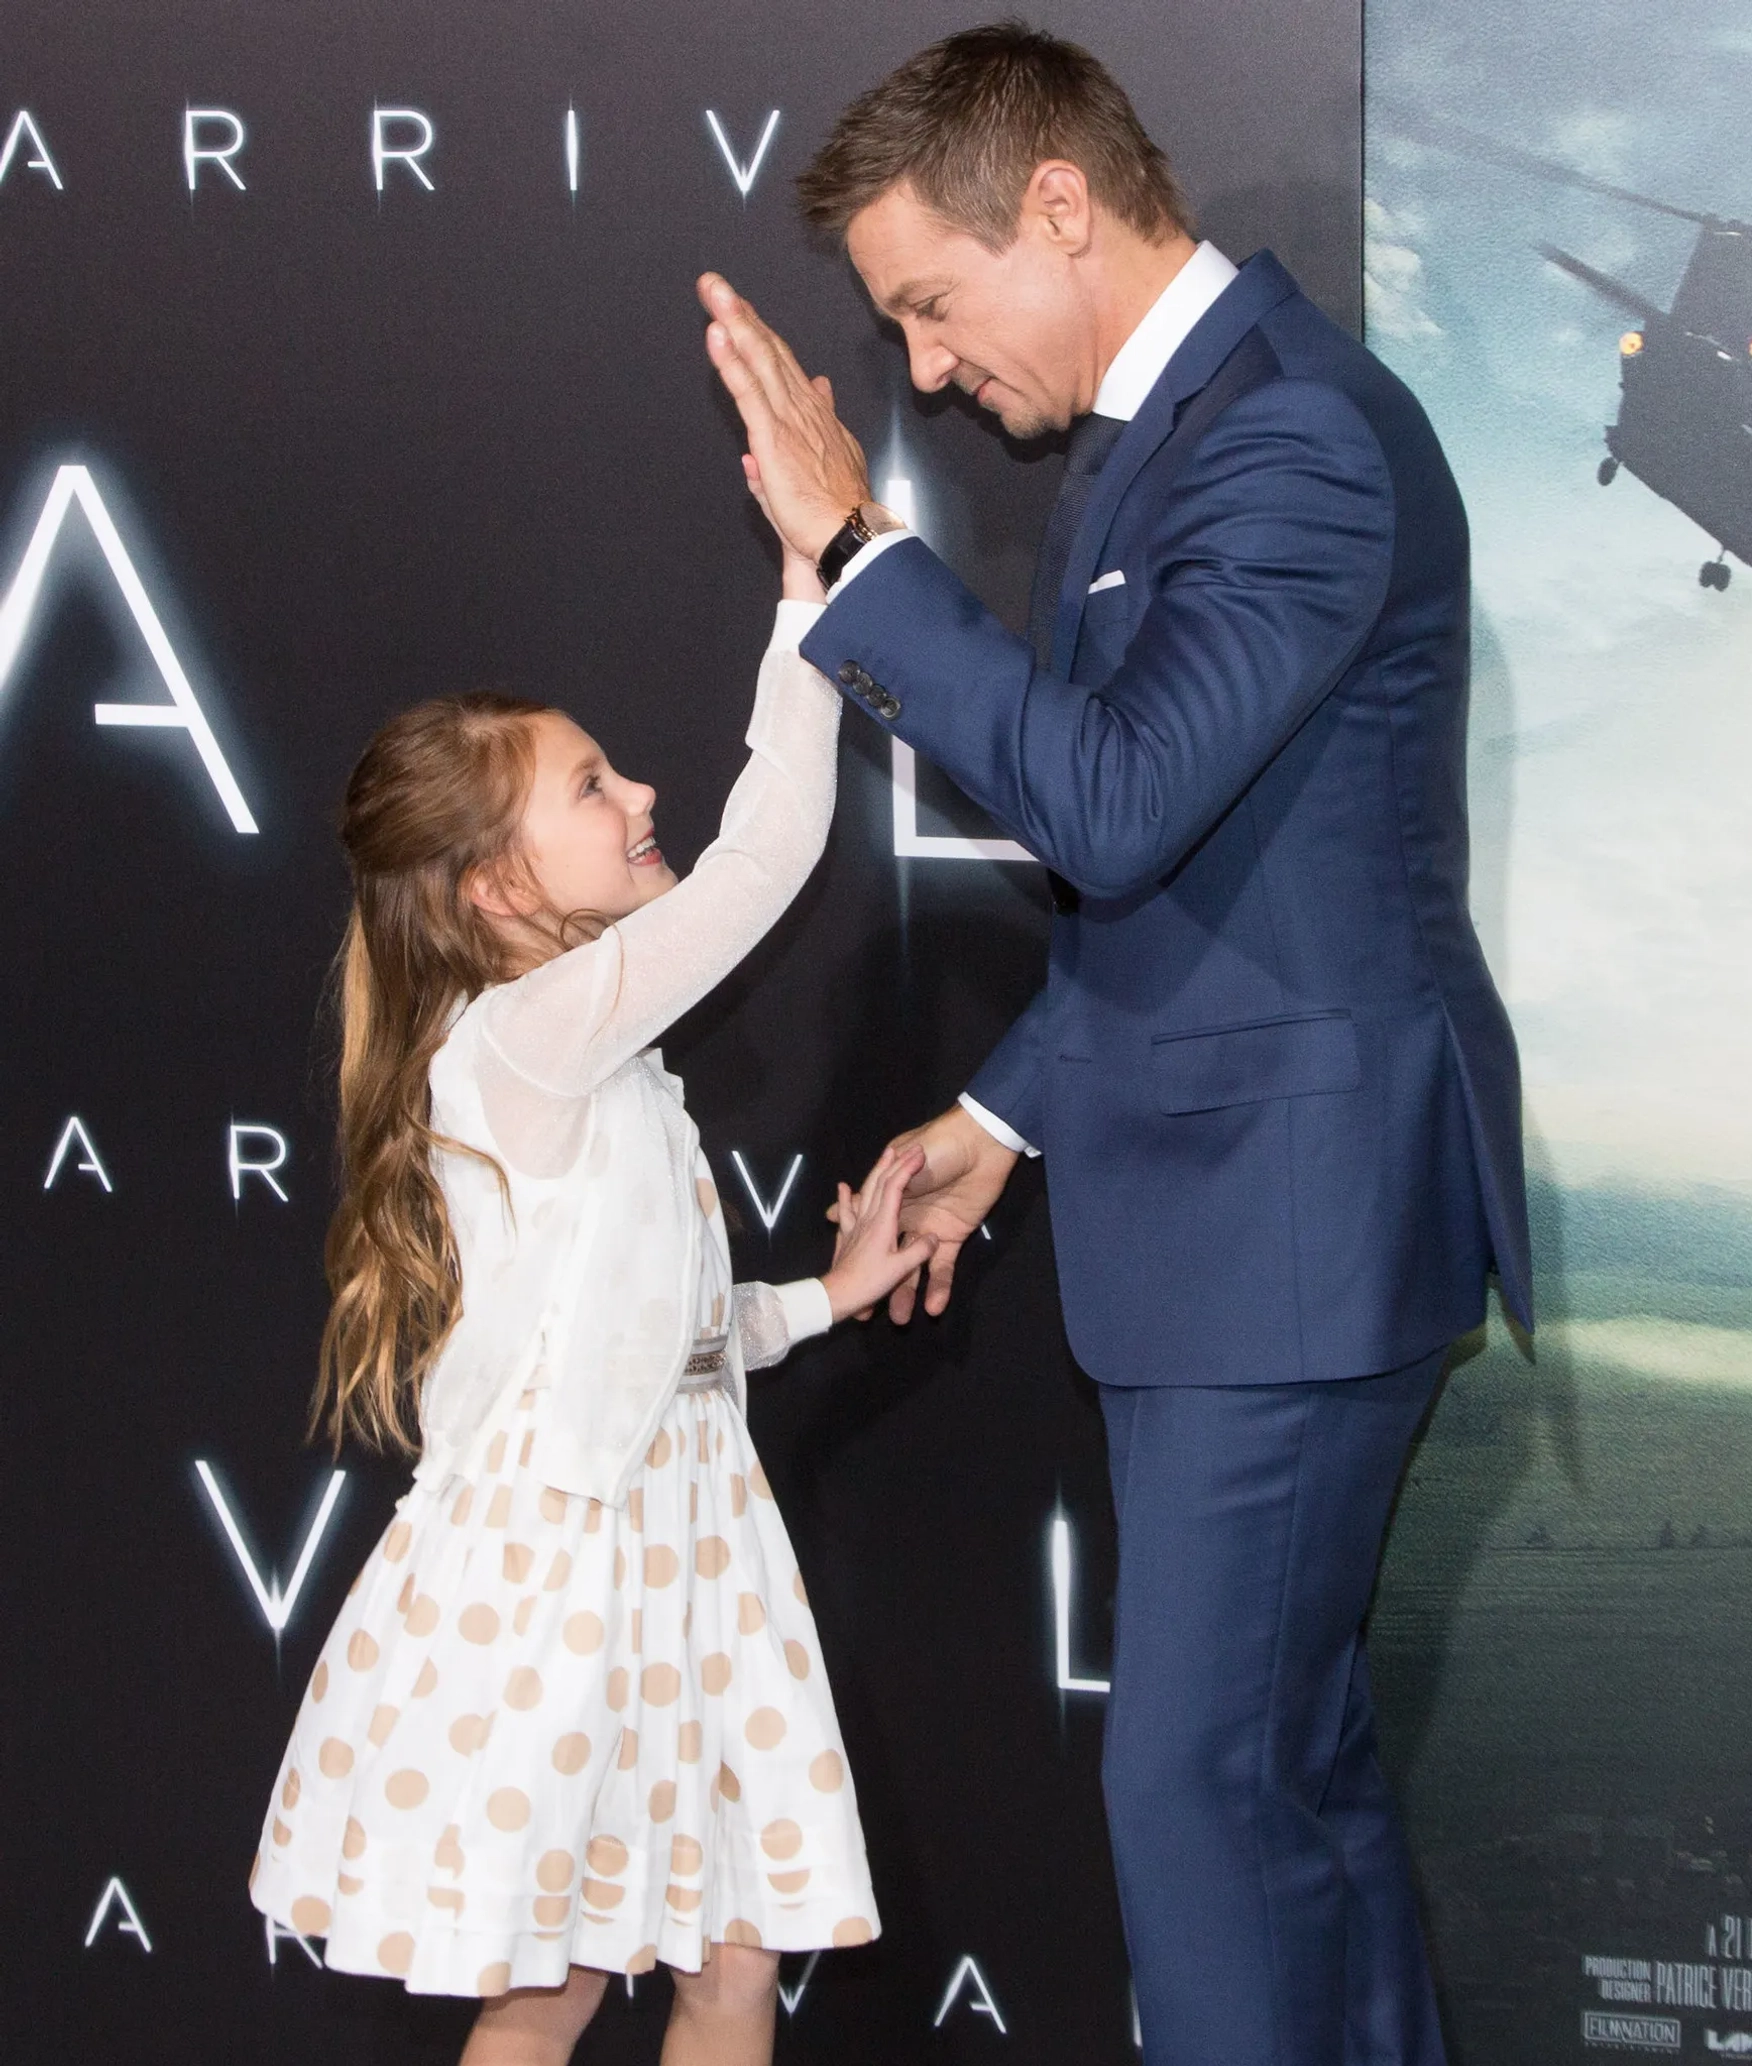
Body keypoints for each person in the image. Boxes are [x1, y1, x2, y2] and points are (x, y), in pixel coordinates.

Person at [696, 21, 1531, 2066]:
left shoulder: (1298, 439)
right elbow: (1222, 893)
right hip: (1231, 1229)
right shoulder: (1159, 447)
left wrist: (860, 558)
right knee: (1283, 1795)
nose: (918, 371)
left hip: (1297, 1240)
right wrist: (1004, 1110)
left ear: (1056, 206)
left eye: (929, 303)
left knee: (1202, 1797)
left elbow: (1118, 805)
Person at [248, 532, 929, 2066]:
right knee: (550, 1988)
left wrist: (824, 1295)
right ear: (496, 885)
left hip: (695, 1546)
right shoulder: (525, 1039)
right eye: (594, 789)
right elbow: (765, 860)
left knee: (736, 1965)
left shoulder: (597, 1056)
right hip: (569, 1579)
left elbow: (663, 1340)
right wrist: (812, 596)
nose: (643, 801)